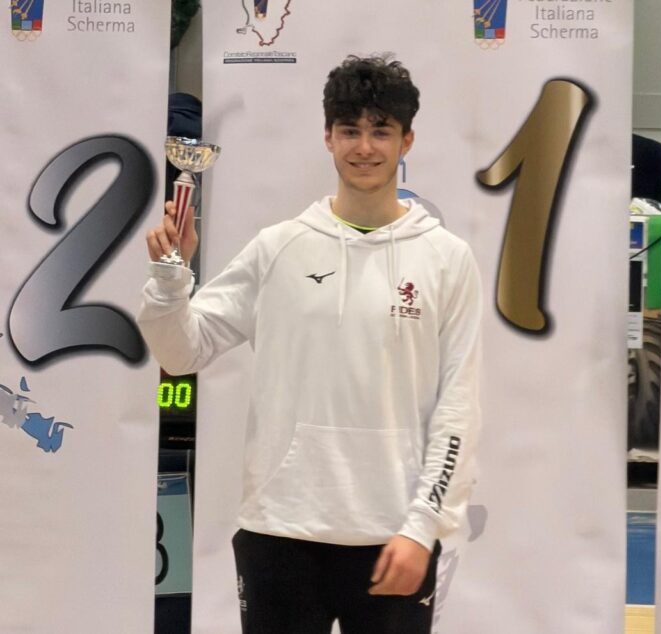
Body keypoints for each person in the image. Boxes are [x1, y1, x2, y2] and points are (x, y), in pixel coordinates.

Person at [138, 54, 482, 634]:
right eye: (350, 130)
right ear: (328, 137)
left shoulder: (447, 259)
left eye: (381, 131)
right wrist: (172, 279)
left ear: (407, 141)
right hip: (279, 533)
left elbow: (459, 407)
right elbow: (181, 352)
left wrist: (423, 525)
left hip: (393, 537)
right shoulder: (278, 248)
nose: (364, 147)